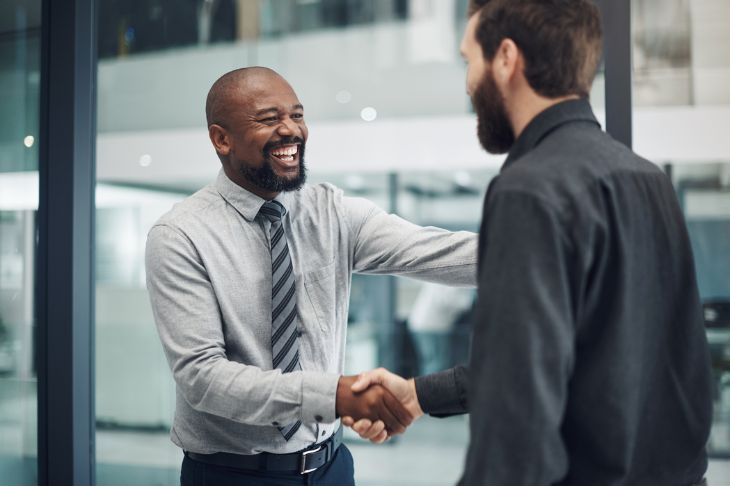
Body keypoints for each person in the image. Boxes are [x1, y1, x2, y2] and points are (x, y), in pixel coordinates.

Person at [345, 1, 714, 484]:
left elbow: (516, 427)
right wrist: (419, 393)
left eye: (467, 61)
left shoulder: (529, 188)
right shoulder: (647, 179)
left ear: (505, 58)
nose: (467, 82)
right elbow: (583, 360)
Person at [144, 66, 477, 485]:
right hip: (234, 474)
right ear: (221, 138)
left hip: (331, 468)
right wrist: (334, 395)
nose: (290, 130)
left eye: (297, 116)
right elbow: (202, 377)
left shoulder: (331, 211)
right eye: (269, 119)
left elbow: (435, 252)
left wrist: (547, 251)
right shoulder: (179, 236)